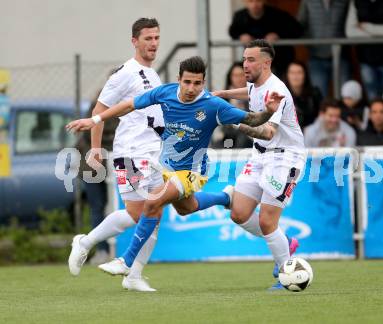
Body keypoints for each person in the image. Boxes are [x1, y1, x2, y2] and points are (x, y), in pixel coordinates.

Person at [66, 55, 284, 288]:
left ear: (204, 82)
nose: (192, 88)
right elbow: (129, 104)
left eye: (197, 83)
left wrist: (269, 112)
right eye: (187, 82)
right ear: (179, 79)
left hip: (192, 172)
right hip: (167, 167)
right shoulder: (165, 93)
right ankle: (226, 197)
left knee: (152, 204)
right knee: (185, 208)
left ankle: (127, 262)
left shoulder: (213, 105)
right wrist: (95, 119)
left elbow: (252, 119)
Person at [68, 17, 165, 292]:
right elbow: (98, 110)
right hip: (130, 153)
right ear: (135, 41)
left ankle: (134, 276)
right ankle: (85, 242)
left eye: (157, 38)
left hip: (151, 153)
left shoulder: (153, 74)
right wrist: (96, 149)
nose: (154, 43)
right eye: (148, 38)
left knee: (154, 216)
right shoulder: (125, 72)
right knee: (137, 214)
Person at [212, 40, 305, 290]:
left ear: (267, 63)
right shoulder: (256, 84)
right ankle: (285, 240)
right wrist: (224, 94)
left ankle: (287, 275)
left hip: (285, 158)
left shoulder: (277, 91)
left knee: (266, 221)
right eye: (244, 59)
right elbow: (249, 91)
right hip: (259, 155)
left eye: (251, 59)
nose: (245, 64)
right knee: (239, 213)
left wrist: (230, 120)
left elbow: (268, 132)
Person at [75, 91, 119, 264]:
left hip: (117, 165)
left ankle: (119, 249)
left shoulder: (131, 104)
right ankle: (101, 250)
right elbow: (88, 131)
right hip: (92, 167)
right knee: (97, 208)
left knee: (121, 208)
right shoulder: (100, 104)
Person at [345, 0, 383, 99]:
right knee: (372, 98)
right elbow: (350, 32)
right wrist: (381, 33)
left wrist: (366, 27)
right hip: (366, 59)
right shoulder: (355, 2)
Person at [228, 0, 302, 77]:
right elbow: (232, 31)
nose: (255, 4)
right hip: (255, 61)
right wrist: (241, 36)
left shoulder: (277, 14)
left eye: (258, 1)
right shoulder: (240, 16)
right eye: (251, 1)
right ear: (245, 2)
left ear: (264, 1)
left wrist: (278, 35)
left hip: (280, 60)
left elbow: (297, 29)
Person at [297, 0, 350, 96]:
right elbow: (299, 25)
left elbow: (349, 26)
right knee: (319, 96)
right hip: (316, 57)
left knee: (345, 96)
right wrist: (309, 43)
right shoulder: (308, 2)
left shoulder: (344, 2)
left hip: (341, 57)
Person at [210, 62, 252, 149]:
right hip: (226, 138)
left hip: (248, 139)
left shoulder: (254, 97)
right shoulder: (223, 99)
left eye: (241, 75)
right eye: (235, 75)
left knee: (242, 139)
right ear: (230, 77)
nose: (239, 79)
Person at [284, 61, 322, 129]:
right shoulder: (280, 94)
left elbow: (322, 115)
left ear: (305, 75)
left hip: (311, 133)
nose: (295, 76)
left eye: (299, 72)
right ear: (287, 75)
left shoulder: (315, 93)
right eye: (292, 73)